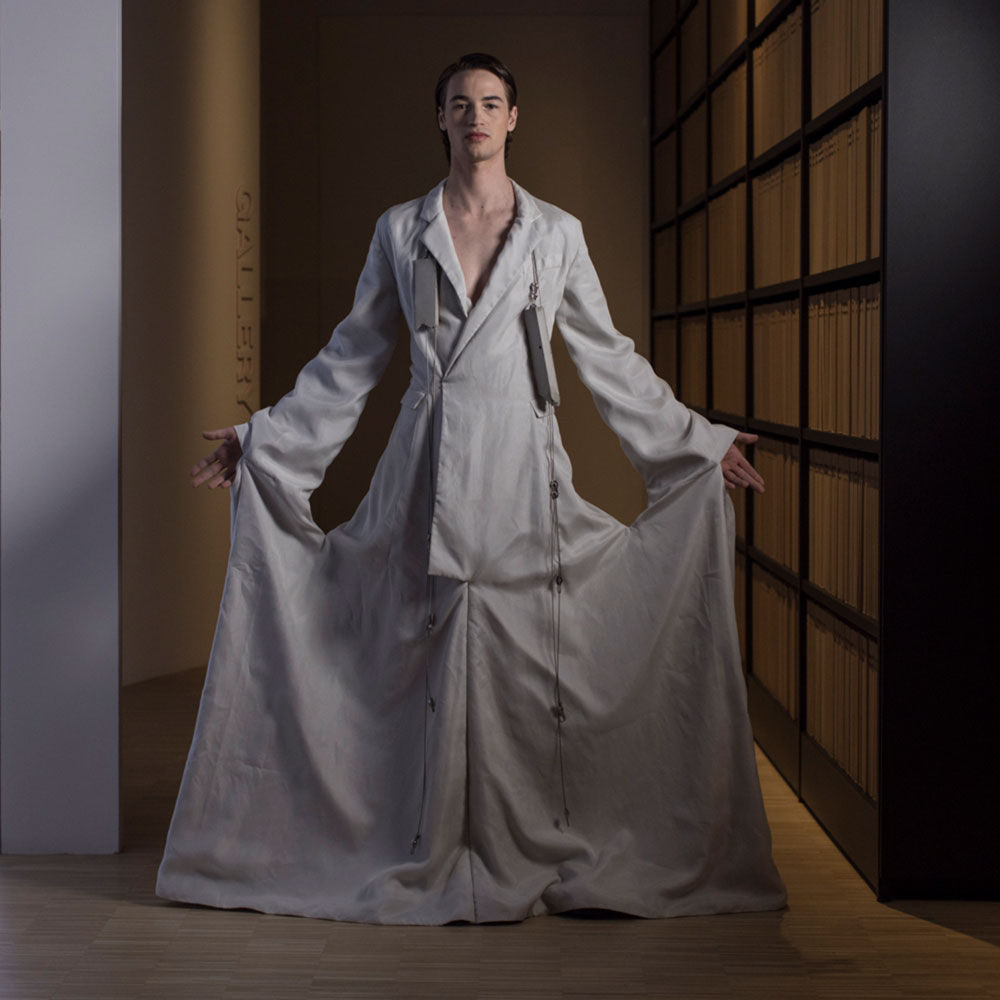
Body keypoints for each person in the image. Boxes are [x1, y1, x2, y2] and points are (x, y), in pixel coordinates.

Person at [157, 53, 786, 924]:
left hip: (523, 471)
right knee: (415, 654)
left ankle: (516, 839)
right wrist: (267, 438)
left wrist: (696, 443)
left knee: (527, 664)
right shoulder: (400, 228)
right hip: (424, 467)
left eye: (491, 103)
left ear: (513, 119)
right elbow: (355, 353)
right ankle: (419, 839)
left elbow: (607, 358)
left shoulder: (555, 232)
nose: (476, 117)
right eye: (461, 104)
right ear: (442, 120)